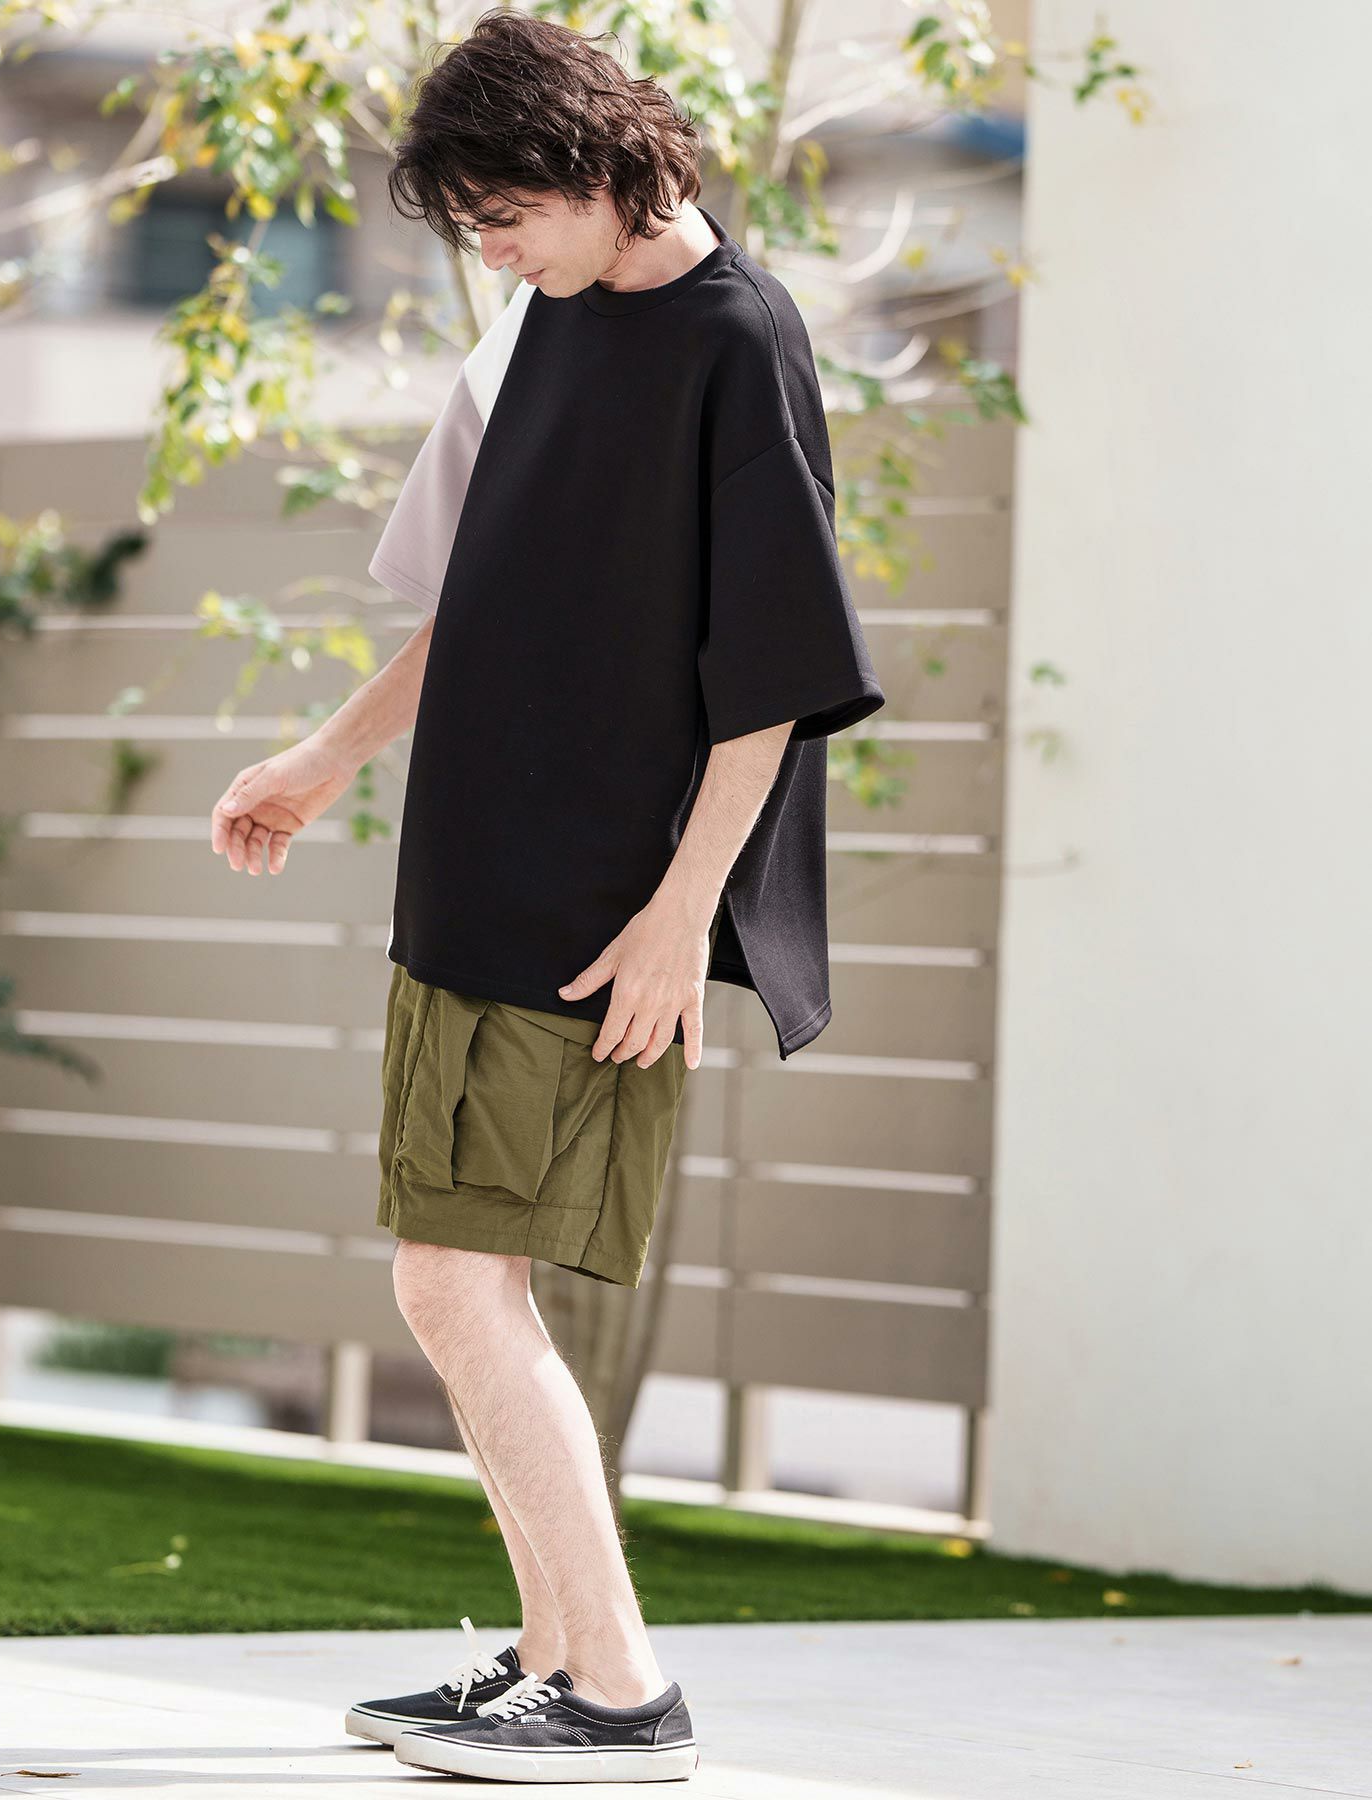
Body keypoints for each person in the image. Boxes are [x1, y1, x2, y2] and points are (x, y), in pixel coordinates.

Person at [209, 9, 884, 1784]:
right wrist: (321, 761)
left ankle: (622, 1693)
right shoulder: (546, 320)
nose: (491, 252)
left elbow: (773, 681)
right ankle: (553, 1661)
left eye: (504, 217)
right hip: (469, 874)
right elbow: (482, 604)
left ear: (594, 167)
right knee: (451, 1280)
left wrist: (679, 917)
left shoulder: (736, 341)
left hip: (596, 909)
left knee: (456, 1285)